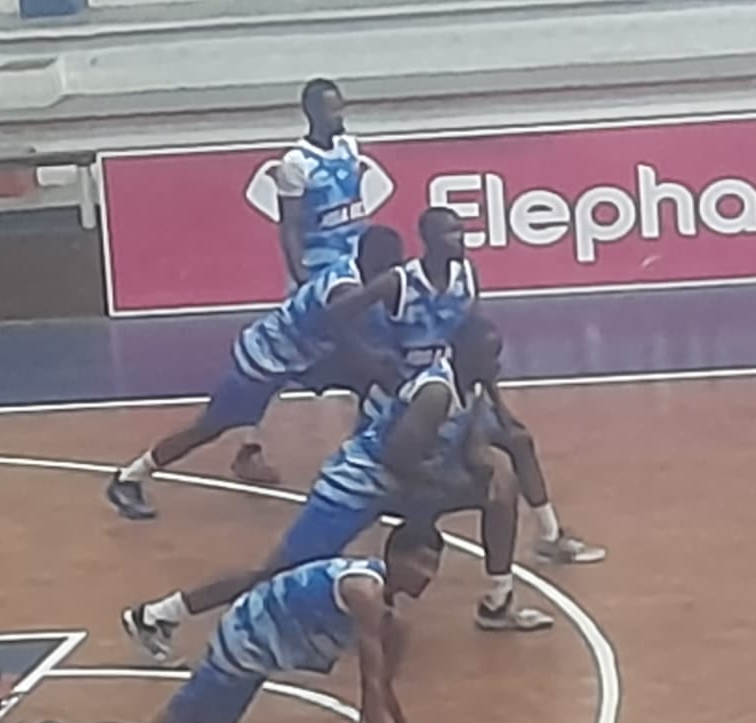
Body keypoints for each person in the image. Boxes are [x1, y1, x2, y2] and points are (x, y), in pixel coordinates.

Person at [122, 317, 554, 643]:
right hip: (357, 485)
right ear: (463, 355)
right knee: (273, 573)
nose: (498, 364)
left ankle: (498, 600)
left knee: (501, 484)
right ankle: (159, 614)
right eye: (491, 356)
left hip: (401, 486)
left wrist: (486, 464)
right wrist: (442, 490)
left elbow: (475, 444)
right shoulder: (435, 391)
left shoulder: (471, 388)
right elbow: (397, 456)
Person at [10, 521, 444, 723]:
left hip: (275, 629)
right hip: (247, 643)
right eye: (421, 562)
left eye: (434, 565)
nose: (428, 574)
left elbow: (378, 672)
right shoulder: (364, 595)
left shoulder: (375, 588)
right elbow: (369, 678)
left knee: (398, 632)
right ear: (395, 558)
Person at [336, 207, 605, 565]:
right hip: (408, 402)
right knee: (402, 483)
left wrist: (500, 407)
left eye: (462, 230)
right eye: (451, 232)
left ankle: (550, 536)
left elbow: (478, 345)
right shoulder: (399, 281)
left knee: (518, 441)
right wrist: (369, 360)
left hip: (456, 390)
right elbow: (336, 315)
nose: (461, 238)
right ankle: (355, 554)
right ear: (429, 239)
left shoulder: (467, 275)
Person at [107, 226, 406, 511]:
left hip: (307, 357)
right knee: (210, 427)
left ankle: (361, 469)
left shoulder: (360, 273)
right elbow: (352, 346)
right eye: (389, 266)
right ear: (370, 260)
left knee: (373, 386)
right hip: (265, 358)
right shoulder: (344, 291)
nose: (393, 273)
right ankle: (130, 477)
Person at [277, 77, 369, 287]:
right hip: (319, 264)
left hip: (356, 260)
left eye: (340, 108)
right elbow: (290, 225)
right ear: (314, 113)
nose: (340, 116)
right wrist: (300, 274)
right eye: (333, 110)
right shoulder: (296, 162)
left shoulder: (350, 148)